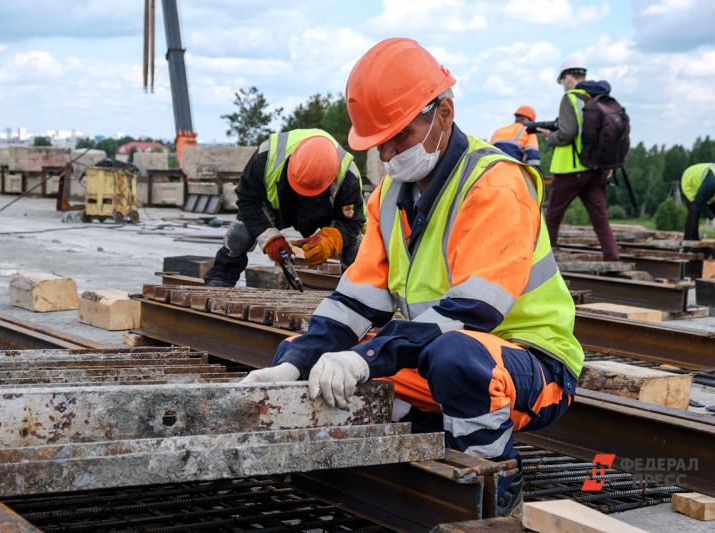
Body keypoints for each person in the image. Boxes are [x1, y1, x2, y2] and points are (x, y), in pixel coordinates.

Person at [242, 38, 583, 516]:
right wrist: (295, 361)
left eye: (400, 136)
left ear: (444, 113)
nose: (389, 152)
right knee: (335, 368)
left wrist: (367, 357)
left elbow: (473, 314)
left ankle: (493, 490)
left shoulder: (495, 184)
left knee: (453, 358)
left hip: (530, 364)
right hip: (438, 352)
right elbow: (353, 303)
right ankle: (419, 457)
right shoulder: (388, 198)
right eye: (379, 142)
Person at [203, 129, 366, 287]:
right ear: (291, 163)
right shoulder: (266, 157)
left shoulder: (347, 177)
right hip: (279, 206)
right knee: (239, 235)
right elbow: (248, 200)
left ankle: (352, 294)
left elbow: (352, 223)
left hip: (323, 210)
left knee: (357, 248)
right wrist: (269, 238)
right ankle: (220, 279)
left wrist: (330, 240)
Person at [539, 60, 620, 260]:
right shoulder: (600, 99)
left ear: (568, 77)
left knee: (553, 217)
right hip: (596, 170)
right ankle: (613, 259)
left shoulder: (570, 98)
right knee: (600, 220)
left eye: (562, 81)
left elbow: (567, 133)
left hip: (570, 169)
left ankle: (545, 263)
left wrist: (550, 137)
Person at [490, 105, 542, 172]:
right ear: (528, 120)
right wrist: (537, 175)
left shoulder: (499, 130)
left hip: (492, 169)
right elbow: (533, 158)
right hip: (511, 170)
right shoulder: (528, 131)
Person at [680, 163, 715, 241]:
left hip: (708, 189)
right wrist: (712, 218)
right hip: (691, 183)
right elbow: (699, 202)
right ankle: (689, 244)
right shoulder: (712, 182)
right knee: (695, 208)